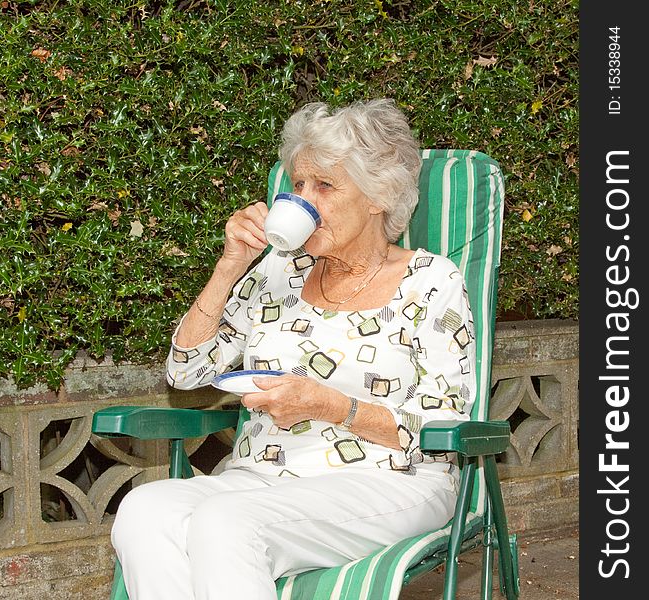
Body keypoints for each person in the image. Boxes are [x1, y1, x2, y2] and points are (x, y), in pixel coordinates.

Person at [111, 98, 476, 600]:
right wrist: (230, 265)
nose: (303, 200)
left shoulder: (431, 282)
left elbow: (441, 427)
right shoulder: (280, 271)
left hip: (389, 479)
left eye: (324, 186)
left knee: (227, 522)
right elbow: (185, 371)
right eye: (297, 185)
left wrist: (331, 406)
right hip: (264, 475)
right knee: (145, 511)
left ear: (378, 197)